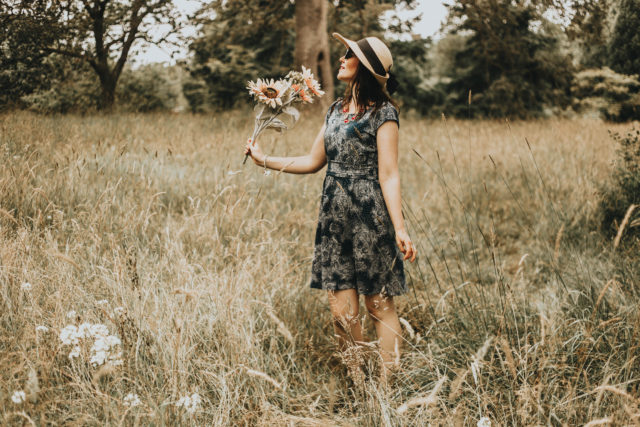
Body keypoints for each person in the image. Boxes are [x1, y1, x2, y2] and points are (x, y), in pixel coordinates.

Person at [244, 33, 417, 385]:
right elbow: (311, 161)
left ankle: (386, 385)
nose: (340, 59)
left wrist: (399, 228)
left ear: (364, 68)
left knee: (378, 304)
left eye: (348, 55)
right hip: (334, 217)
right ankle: (357, 380)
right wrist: (263, 159)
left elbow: (389, 174)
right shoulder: (335, 111)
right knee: (341, 310)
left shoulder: (384, 114)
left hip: (371, 217)